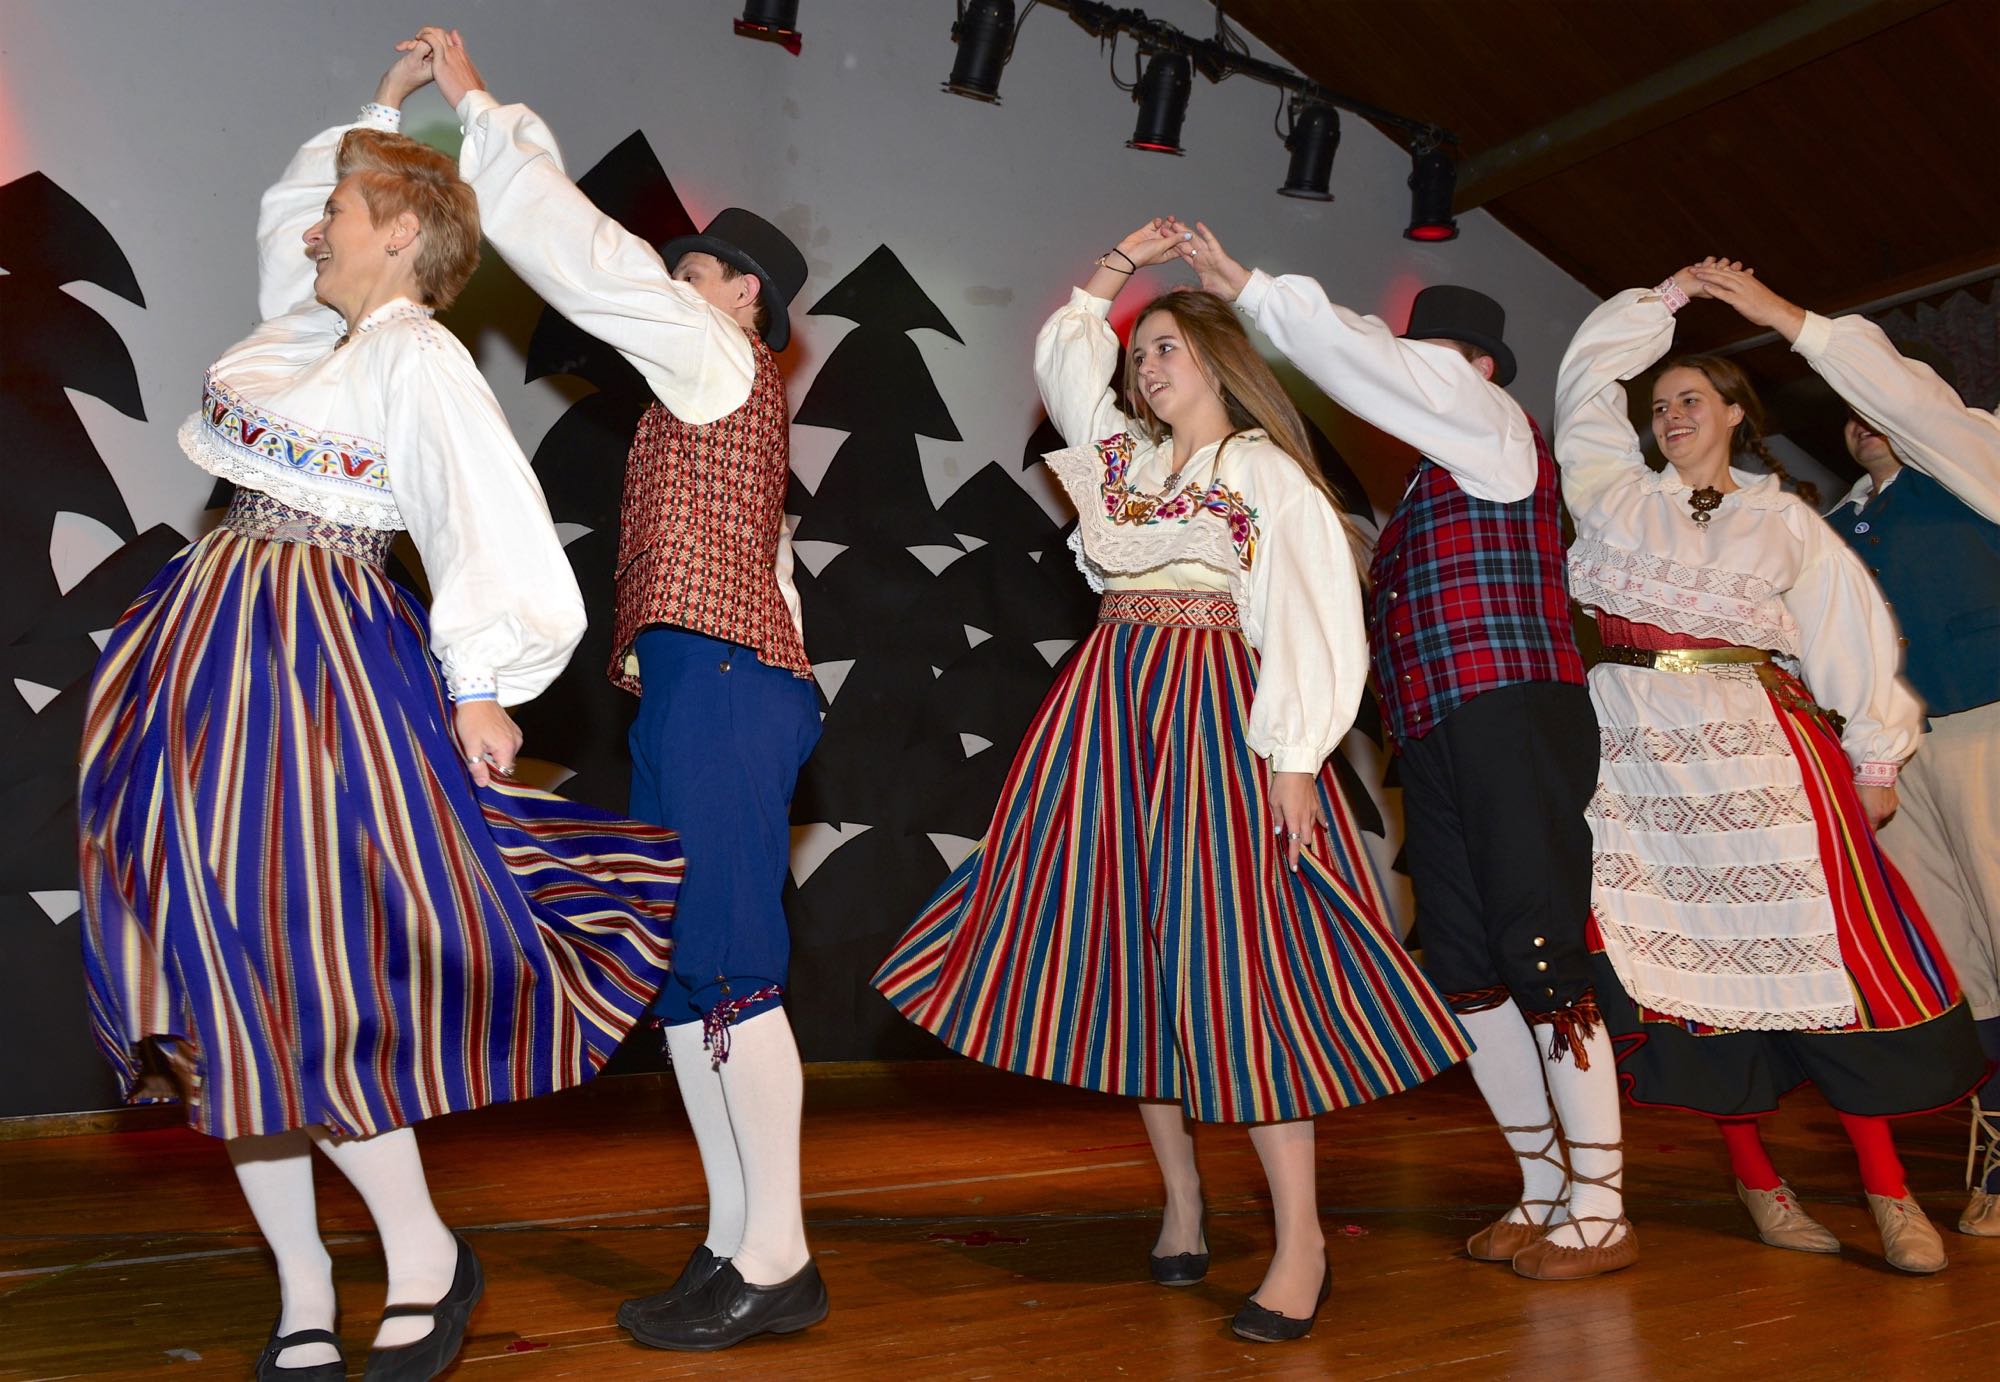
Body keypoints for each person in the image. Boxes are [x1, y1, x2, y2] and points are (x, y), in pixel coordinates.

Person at [75, 41, 681, 1382]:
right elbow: (285, 227)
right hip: (209, 660)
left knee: (306, 974)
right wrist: (376, 112)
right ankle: (301, 1278)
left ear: (403, 233)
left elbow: (484, 515)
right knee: (217, 979)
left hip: (314, 667)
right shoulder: (312, 342)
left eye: (342, 212)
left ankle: (420, 1251)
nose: (315, 227)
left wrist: (483, 685)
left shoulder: (414, 357)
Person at [874, 219, 1471, 1344]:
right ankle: (1184, 1200)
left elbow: (1313, 617)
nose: (1146, 366)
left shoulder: (1262, 473)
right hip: (1109, 711)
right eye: (1138, 350)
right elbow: (1067, 366)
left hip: (1210, 715)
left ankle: (1300, 1242)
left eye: (1166, 347)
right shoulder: (1126, 463)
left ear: (1219, 359)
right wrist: (1110, 273)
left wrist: (1294, 761)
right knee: (1135, 955)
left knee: (1242, 964)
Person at [421, 28, 825, 1353]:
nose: (670, 278)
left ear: (744, 294)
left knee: (733, 963)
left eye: (693, 267)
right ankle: (733, 1235)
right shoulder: (705, 393)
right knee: (690, 975)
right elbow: (767, 564)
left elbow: (588, 260)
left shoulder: (714, 357)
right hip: (702, 681)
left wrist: (484, 112)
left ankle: (780, 1253)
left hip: (727, 683)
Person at [1175, 223, 1633, 1281]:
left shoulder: (1494, 427)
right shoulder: (1430, 484)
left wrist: (1256, 291)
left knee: (1539, 949)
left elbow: (1373, 363)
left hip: (1513, 714)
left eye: (1430, 360)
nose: (1411, 376)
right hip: (1437, 731)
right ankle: (1543, 1189)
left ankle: (1603, 1205)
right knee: (1466, 969)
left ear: (1474, 370)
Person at [1553, 261, 1987, 1274]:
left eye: (1689, 399)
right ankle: (1759, 1183)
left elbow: (1848, 634)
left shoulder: (1783, 519)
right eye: (1659, 404)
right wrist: (1660, 305)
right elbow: (1584, 381)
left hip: (1760, 751)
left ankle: (1889, 1193)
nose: (1669, 415)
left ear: (1735, 414)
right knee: (1690, 972)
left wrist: (1875, 756)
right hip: (1639, 761)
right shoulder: (1613, 495)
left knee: (1815, 965)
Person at [1688, 265, 2000, 1238]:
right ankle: (1998, 1148)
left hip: (1988, 727)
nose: (1862, 421)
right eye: (1850, 414)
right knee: (1954, 959)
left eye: (1875, 405)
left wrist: (1785, 318)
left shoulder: (1975, 461)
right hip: (1888, 763)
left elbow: (1911, 401)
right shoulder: (1828, 528)